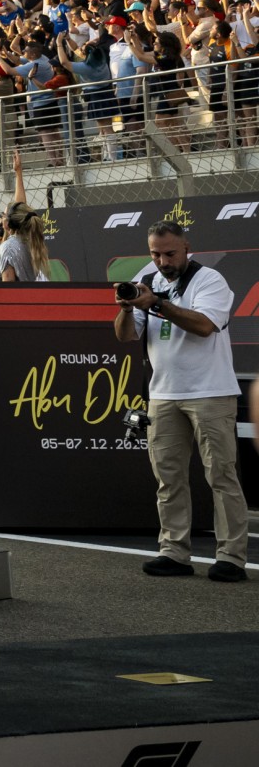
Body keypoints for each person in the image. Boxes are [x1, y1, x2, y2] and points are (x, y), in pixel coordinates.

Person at [117, 222, 247, 580]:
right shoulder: (149, 278)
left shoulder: (209, 281)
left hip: (210, 392)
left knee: (221, 476)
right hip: (163, 394)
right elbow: (126, 336)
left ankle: (232, 557)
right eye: (156, 254)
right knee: (168, 477)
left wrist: (156, 303)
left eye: (170, 253)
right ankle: (174, 551)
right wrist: (128, 307)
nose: (163, 260)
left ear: (187, 247)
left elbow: (205, 326)